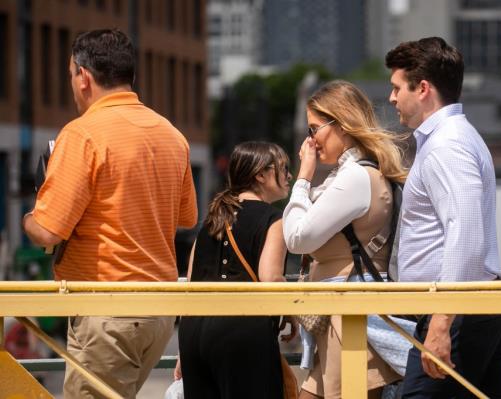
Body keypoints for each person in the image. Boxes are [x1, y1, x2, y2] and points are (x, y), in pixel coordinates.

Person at [22, 29, 198, 398]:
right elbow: (187, 217)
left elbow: (47, 231)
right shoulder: (171, 134)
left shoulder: (83, 134)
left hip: (107, 310)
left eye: (71, 74)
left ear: (84, 77)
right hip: (160, 311)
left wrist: (31, 214)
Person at [385, 37, 501, 398]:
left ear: (423, 88)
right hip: (468, 309)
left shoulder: (448, 145)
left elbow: (466, 234)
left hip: (455, 313)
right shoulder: (451, 139)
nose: (392, 98)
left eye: (397, 88)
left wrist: (442, 321)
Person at [283, 80, 409, 399]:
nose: (310, 141)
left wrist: (303, 176)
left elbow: (298, 237)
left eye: (314, 129)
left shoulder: (355, 177)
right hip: (342, 316)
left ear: (339, 123)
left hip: (350, 319)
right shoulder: (359, 173)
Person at [176, 141, 297, 399]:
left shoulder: (212, 219)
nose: (289, 175)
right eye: (284, 168)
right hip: (242, 333)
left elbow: (190, 283)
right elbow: (270, 278)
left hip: (193, 334)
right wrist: (293, 311)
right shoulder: (273, 219)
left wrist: (181, 351)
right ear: (261, 175)